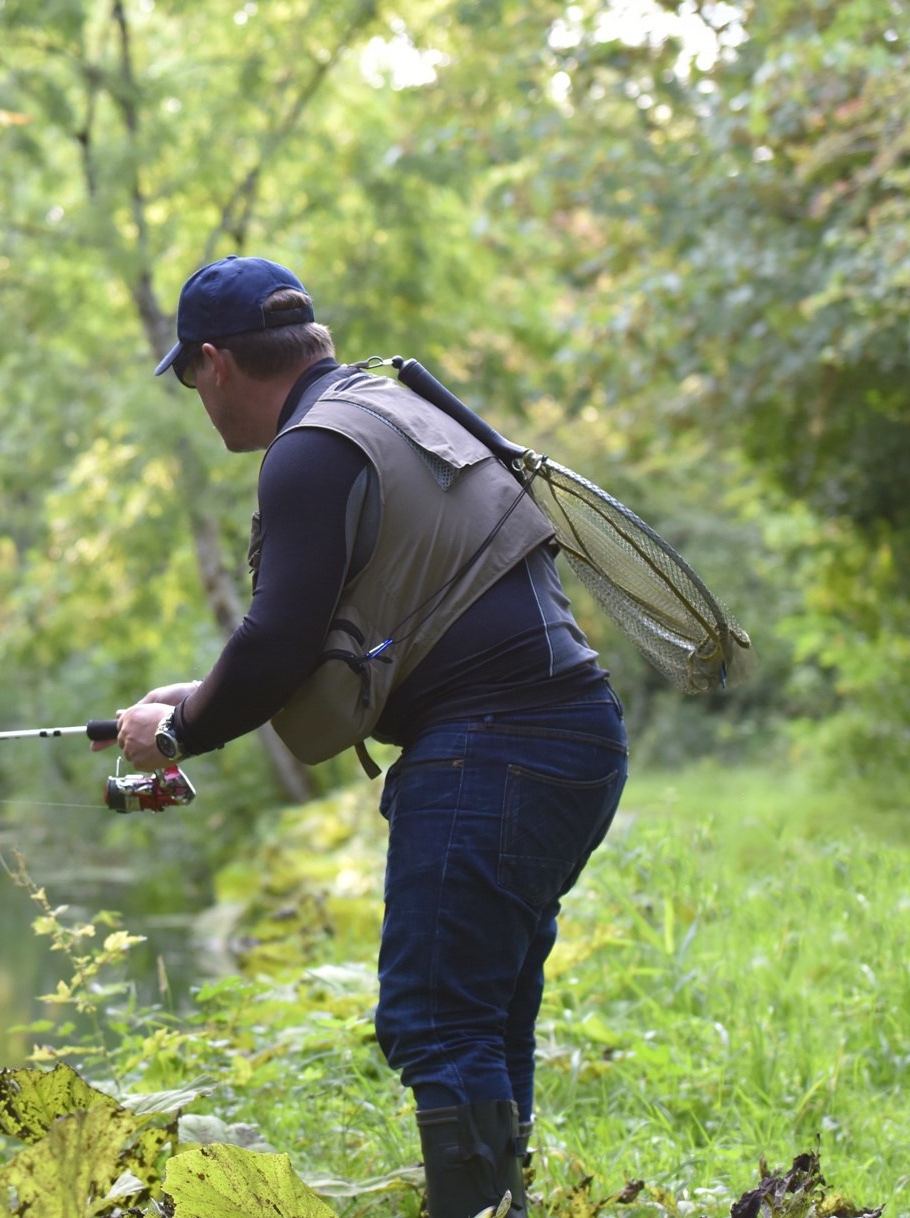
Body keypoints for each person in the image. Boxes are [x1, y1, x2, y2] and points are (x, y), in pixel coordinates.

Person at [93, 255, 628, 1218]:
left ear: (214, 363)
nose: (195, 399)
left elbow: (275, 641)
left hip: (494, 746)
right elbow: (336, 639)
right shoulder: (388, 410)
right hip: (570, 733)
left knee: (435, 1013)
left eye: (187, 378)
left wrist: (178, 736)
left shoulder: (310, 449)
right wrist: (192, 698)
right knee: (485, 1006)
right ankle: (504, 1206)